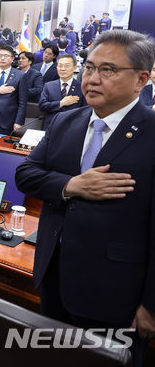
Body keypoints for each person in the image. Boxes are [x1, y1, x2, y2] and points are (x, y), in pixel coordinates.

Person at [15, 30, 155, 367]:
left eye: (107, 70)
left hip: (117, 292)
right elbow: (26, 175)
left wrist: (151, 304)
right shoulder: (66, 121)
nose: (91, 78)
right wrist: (71, 186)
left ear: (141, 79)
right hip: (55, 278)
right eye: (89, 68)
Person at [38, 54, 86, 130]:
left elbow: (85, 111)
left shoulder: (81, 87)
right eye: (60, 66)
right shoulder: (49, 86)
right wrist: (60, 103)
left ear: (75, 68)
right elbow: (42, 106)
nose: (63, 69)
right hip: (51, 127)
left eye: (67, 66)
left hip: (72, 128)